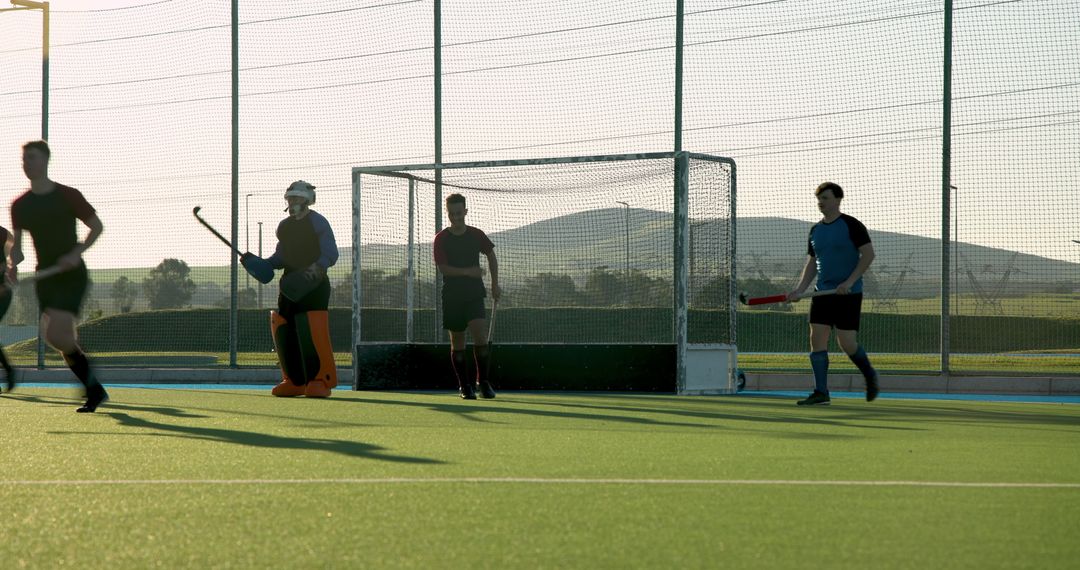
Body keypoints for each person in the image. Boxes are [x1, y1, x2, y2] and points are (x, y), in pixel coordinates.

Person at [9, 140, 108, 412]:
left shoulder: (68, 195)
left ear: (45, 161)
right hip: (46, 278)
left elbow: (96, 226)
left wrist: (77, 252)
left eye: (32, 158)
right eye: (24, 159)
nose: (27, 163)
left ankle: (94, 390)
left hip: (71, 274)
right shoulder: (20, 206)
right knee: (57, 339)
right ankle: (94, 389)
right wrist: (12, 266)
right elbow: (16, 251)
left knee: (57, 333)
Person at [787, 181, 879, 406]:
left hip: (848, 294)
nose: (821, 203)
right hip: (822, 294)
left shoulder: (852, 225)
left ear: (838, 199)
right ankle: (821, 392)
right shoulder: (815, 230)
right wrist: (800, 289)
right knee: (816, 339)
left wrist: (849, 281)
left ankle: (869, 375)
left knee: (846, 343)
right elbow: (812, 263)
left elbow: (868, 255)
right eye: (819, 199)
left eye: (825, 198)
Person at [259, 180, 339, 398]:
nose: (292, 202)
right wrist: (265, 263)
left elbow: (330, 253)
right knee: (285, 327)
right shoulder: (284, 226)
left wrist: (316, 269)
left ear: (307, 200)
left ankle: (320, 379)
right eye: (290, 198)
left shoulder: (318, 222)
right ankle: (293, 380)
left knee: (312, 329)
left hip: (314, 284)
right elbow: (281, 256)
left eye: (296, 198)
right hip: (290, 285)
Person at [433, 193, 500, 400]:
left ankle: (484, 382)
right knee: (458, 342)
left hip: (474, 295)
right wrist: (468, 272)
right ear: (448, 214)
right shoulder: (441, 238)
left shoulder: (476, 235)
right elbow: (443, 269)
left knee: (480, 336)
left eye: (459, 213)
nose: (456, 217)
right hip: (452, 297)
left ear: (465, 212)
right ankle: (465, 386)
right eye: (452, 214)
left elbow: (490, 254)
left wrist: (495, 284)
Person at [0, 225, 16, 393]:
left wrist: (10, 265)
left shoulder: (2, 233)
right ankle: (9, 371)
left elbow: (17, 253)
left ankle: (10, 371)